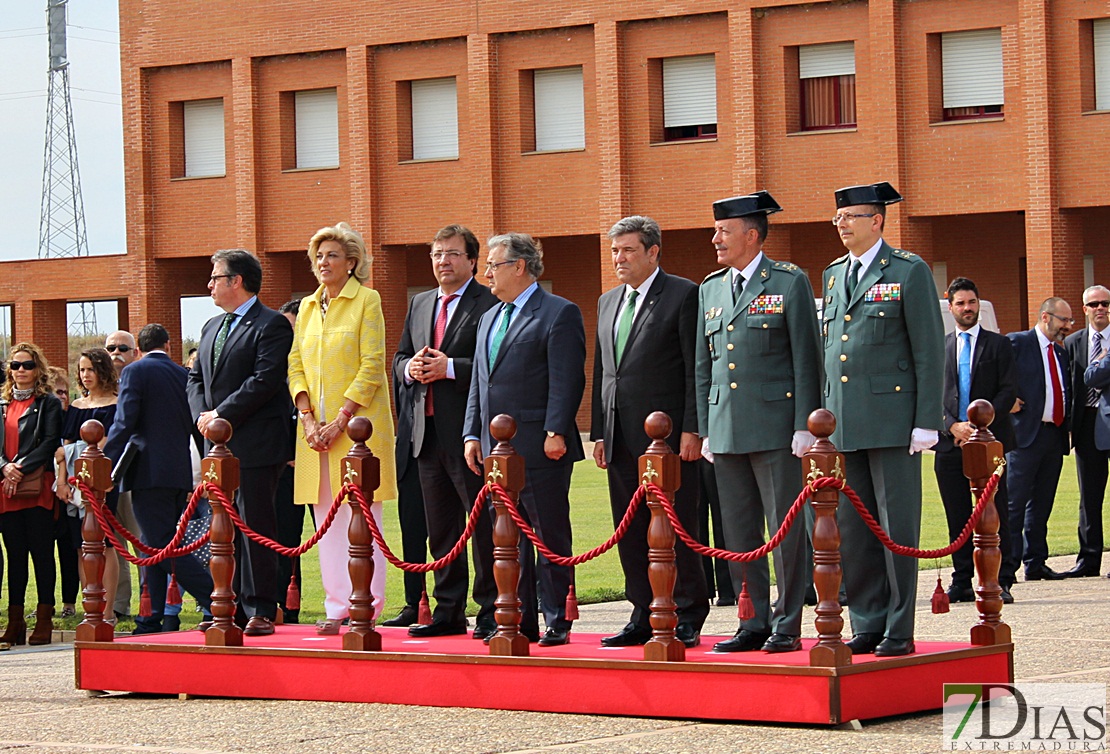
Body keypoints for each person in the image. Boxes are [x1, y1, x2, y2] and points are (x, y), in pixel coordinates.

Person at [821, 182, 944, 658]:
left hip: (894, 423)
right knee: (853, 530)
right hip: (845, 425)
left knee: (895, 529)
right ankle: (868, 621)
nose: (841, 224)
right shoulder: (834, 275)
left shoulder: (907, 271)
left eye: (850, 216)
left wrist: (926, 420)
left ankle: (899, 625)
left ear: (877, 221)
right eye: (838, 217)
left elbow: (928, 351)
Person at [696, 192, 820, 654]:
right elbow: (702, 365)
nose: (716, 239)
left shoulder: (789, 282)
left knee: (784, 530)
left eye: (723, 232)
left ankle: (787, 624)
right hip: (726, 429)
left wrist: (804, 425)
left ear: (751, 235)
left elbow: (807, 358)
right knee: (739, 533)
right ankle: (752, 622)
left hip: (776, 428)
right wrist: (707, 426)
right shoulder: (710, 287)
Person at [591, 215, 709, 649]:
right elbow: (606, 371)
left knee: (679, 526)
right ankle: (643, 611)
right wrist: (600, 432)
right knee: (631, 528)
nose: (619, 259)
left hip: (670, 439)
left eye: (628, 250)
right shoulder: (608, 301)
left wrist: (693, 429)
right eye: (615, 251)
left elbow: (696, 367)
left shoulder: (683, 294)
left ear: (653, 252)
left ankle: (687, 611)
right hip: (620, 436)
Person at [463, 232, 586, 647]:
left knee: (547, 534)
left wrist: (556, 431)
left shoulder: (557, 312)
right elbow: (481, 383)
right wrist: (471, 432)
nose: (486, 274)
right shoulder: (488, 318)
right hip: (496, 451)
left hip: (539, 444)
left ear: (519, 266)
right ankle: (517, 617)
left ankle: (557, 618)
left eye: (493, 265)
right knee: (506, 538)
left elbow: (566, 379)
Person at [288, 222, 398, 635]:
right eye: (318, 256)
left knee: (362, 516)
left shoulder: (367, 300)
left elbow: (372, 365)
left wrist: (340, 421)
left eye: (332, 255)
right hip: (315, 434)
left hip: (357, 434)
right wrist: (309, 418)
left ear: (352, 262)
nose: (323, 263)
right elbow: (295, 364)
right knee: (326, 519)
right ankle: (337, 608)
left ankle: (364, 605)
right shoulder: (307, 307)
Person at [394, 224, 498, 638]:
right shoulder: (420, 303)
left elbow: (495, 364)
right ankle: (448, 610)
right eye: (437, 254)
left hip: (468, 434)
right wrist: (409, 368)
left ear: (472, 260)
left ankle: (491, 609)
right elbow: (400, 354)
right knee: (441, 529)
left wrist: (450, 367)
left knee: (483, 528)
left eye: (453, 254)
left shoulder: (489, 302)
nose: (444, 262)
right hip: (425, 433)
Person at [188, 248, 294, 638]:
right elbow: (195, 378)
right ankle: (224, 604)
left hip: (255, 444)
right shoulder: (211, 326)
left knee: (255, 526)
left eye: (216, 277)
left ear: (237, 281)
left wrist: (223, 416)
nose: (209, 285)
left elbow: (265, 381)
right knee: (219, 529)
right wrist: (205, 415)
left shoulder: (271, 325)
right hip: (216, 447)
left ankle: (261, 607)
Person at [103, 324, 214, 635]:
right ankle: (149, 619)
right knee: (156, 545)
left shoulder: (135, 373)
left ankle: (218, 599)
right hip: (179, 470)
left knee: (157, 548)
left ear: (138, 349)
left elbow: (125, 422)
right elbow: (197, 425)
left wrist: (104, 462)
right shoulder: (183, 374)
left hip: (148, 472)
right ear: (168, 344)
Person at [934, 278, 1017, 604]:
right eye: (961, 303)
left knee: (996, 513)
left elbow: (1008, 390)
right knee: (957, 514)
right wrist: (953, 426)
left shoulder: (999, 345)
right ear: (950, 306)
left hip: (990, 443)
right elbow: (933, 397)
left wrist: (980, 427)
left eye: (972, 302)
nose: (967, 308)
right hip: (951, 444)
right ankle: (963, 579)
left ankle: (1001, 579)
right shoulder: (940, 347)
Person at [0, 343, 64, 647]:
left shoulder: (48, 402)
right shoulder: (2, 403)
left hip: (36, 485)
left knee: (41, 553)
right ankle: (15, 622)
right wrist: (5, 468)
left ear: (37, 368)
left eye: (26, 365)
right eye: (15, 366)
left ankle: (44, 619)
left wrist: (20, 468)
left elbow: (50, 441)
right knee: (15, 557)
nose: (21, 371)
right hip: (6, 488)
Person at [1006, 297, 1073, 582]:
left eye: (1069, 321)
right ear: (1046, 317)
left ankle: (1036, 562)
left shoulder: (1060, 353)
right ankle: (1006, 569)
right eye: (1063, 320)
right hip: (1023, 437)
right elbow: (996, 374)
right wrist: (1006, 400)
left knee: (1042, 503)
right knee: (1014, 504)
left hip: (1053, 435)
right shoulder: (1018, 343)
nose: (1068, 326)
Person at [55, 348, 123, 623]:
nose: (85, 375)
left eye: (90, 369)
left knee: (105, 544)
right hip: (74, 484)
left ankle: (107, 612)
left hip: (103, 483)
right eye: (81, 370)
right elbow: (64, 450)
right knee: (81, 546)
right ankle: (90, 608)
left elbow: (112, 444)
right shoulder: (75, 406)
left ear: (103, 371)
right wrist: (62, 481)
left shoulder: (117, 404)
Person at [1063, 286, 1110, 578]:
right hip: (1086, 425)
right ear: (1085, 309)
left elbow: (1093, 377)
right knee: (1089, 497)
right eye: (1094, 304)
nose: (1101, 308)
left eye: (1105, 303)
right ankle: (1089, 561)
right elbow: (1069, 384)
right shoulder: (1073, 342)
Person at [274, 299, 308, 623]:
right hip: (283, 470)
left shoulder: (319, 365)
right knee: (284, 543)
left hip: (319, 464)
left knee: (333, 541)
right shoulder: (273, 366)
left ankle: (347, 609)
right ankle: (284, 609)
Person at [104, 329, 138, 620]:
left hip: (135, 475)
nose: (116, 353)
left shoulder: (138, 381)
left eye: (122, 348)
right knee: (112, 544)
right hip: (107, 480)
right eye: (110, 348)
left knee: (143, 542)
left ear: (134, 352)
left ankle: (156, 605)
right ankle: (118, 605)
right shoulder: (96, 394)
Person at [46, 366, 79, 620]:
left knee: (69, 550)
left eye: (64, 392)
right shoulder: (42, 418)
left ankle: (70, 603)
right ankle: (44, 605)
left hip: (68, 494)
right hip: (43, 493)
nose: (62, 398)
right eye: (56, 392)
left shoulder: (74, 419)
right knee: (45, 552)